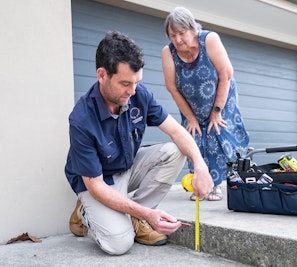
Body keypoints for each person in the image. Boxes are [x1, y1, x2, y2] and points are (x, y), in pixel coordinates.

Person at [65, 31, 214, 256]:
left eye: (137, 82)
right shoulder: (81, 119)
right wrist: (148, 214)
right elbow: (95, 185)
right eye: (125, 83)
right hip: (98, 182)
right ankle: (86, 213)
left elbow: (176, 131)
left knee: (175, 151)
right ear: (102, 75)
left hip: (126, 166)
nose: (133, 91)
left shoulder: (138, 94)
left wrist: (200, 166)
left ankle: (136, 217)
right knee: (118, 245)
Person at [161, 7, 249, 201]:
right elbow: (172, 87)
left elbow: (226, 74)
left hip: (221, 97)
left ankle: (216, 185)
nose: (177, 40)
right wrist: (190, 118)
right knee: (194, 136)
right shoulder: (168, 52)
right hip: (192, 104)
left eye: (181, 33)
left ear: (192, 29)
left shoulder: (209, 39)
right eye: (172, 35)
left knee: (216, 132)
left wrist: (217, 111)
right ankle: (199, 184)